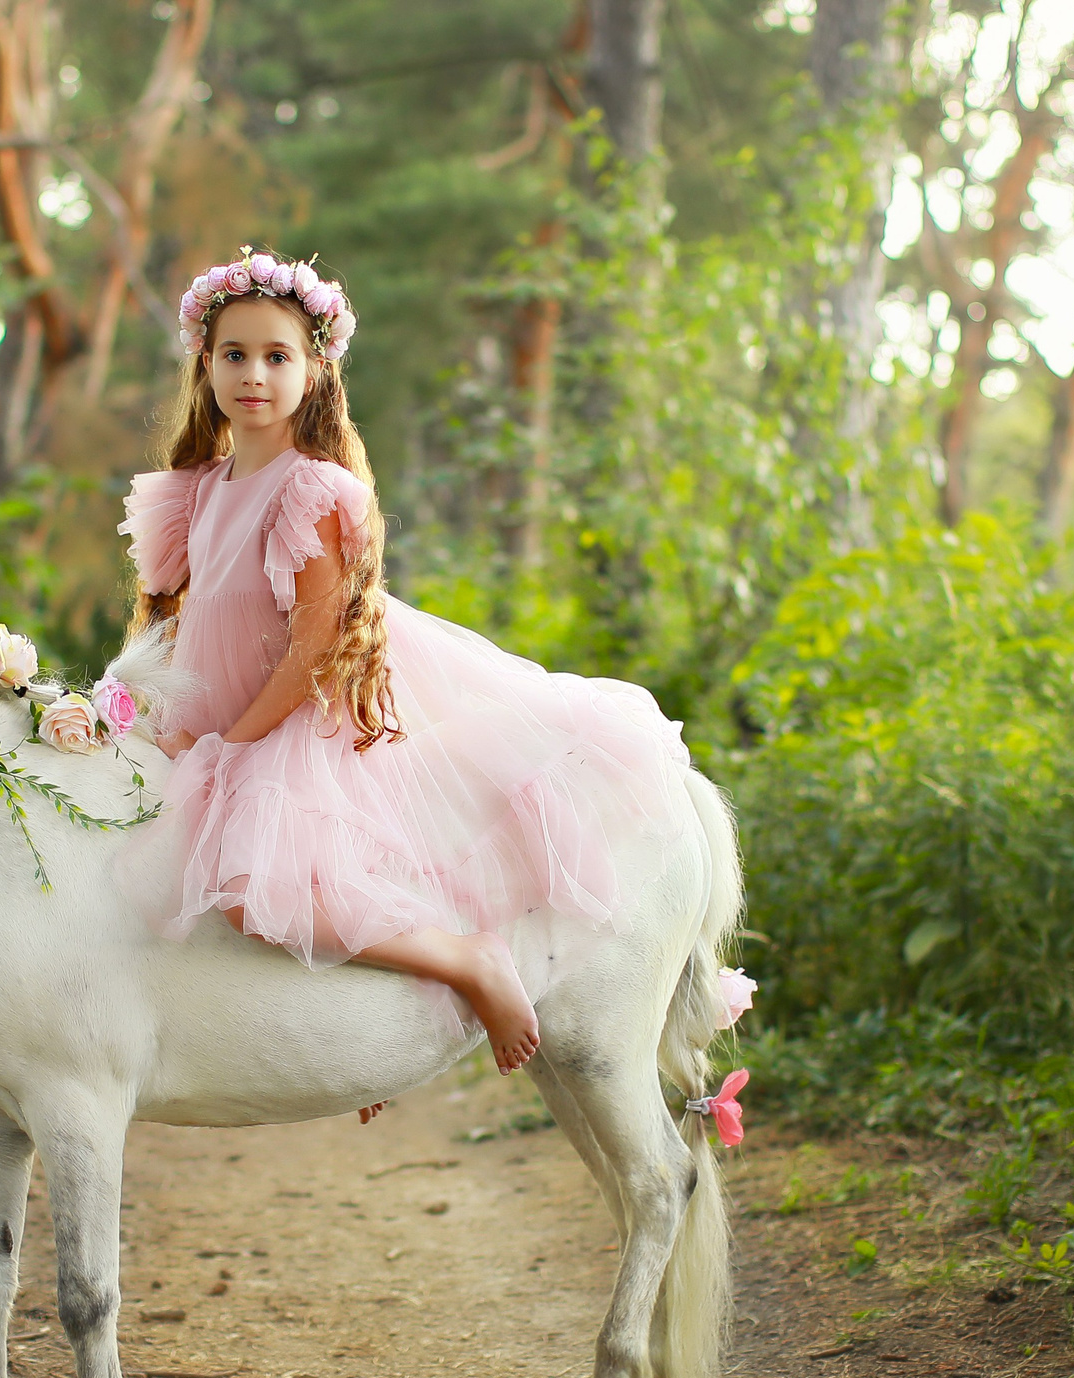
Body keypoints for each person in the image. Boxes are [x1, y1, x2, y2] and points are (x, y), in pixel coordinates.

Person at [120, 249, 693, 1076]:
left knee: (253, 893)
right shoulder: (196, 491)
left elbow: (314, 648)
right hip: (208, 715)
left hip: (291, 723)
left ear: (315, 371)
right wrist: (120, 699)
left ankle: (468, 961)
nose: (254, 375)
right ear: (204, 365)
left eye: (278, 356)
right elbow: (170, 627)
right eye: (234, 355)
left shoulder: (310, 491)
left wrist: (235, 745)